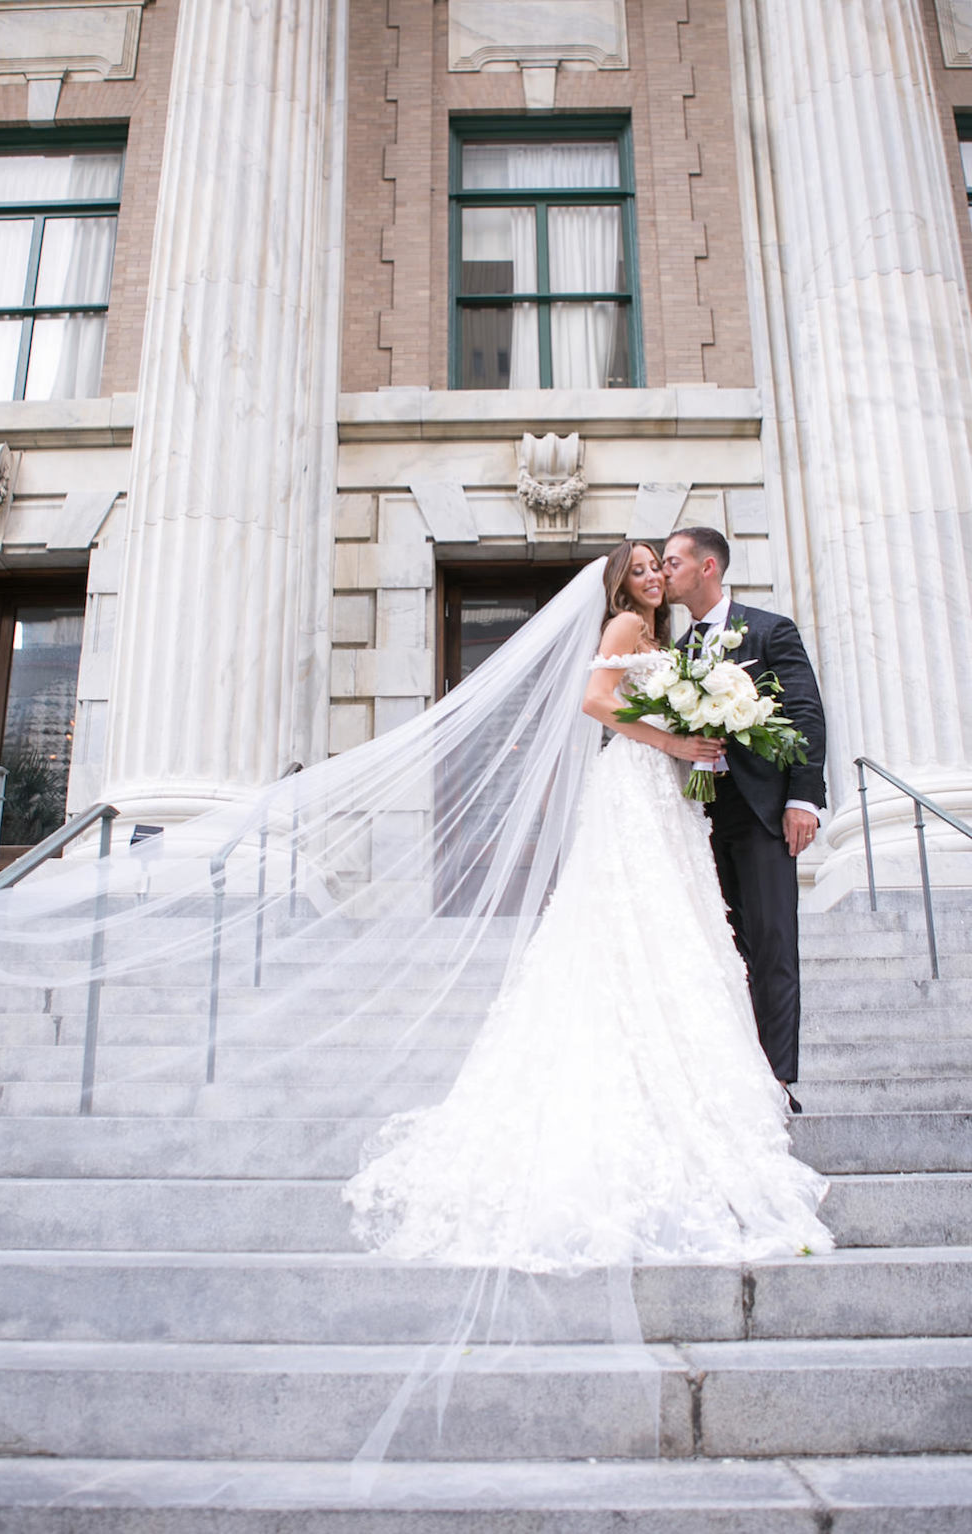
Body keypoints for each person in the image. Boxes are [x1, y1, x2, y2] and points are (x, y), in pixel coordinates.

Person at [343, 542, 833, 1272]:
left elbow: (790, 709)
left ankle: (754, 1079)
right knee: (634, 925)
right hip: (638, 787)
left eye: (659, 564)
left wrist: (773, 782)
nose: (653, 575)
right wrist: (673, 738)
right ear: (619, 583)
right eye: (640, 568)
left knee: (691, 937)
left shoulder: (691, 636)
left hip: (683, 801)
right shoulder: (624, 630)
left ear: (697, 568)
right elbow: (594, 702)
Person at [661, 528, 827, 1111]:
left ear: (708, 567)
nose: (664, 571)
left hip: (761, 811)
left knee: (772, 942)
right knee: (723, 949)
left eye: (673, 562)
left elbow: (804, 711)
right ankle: (732, 1078)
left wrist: (802, 799)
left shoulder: (768, 629)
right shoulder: (675, 652)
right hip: (699, 817)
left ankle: (777, 1082)